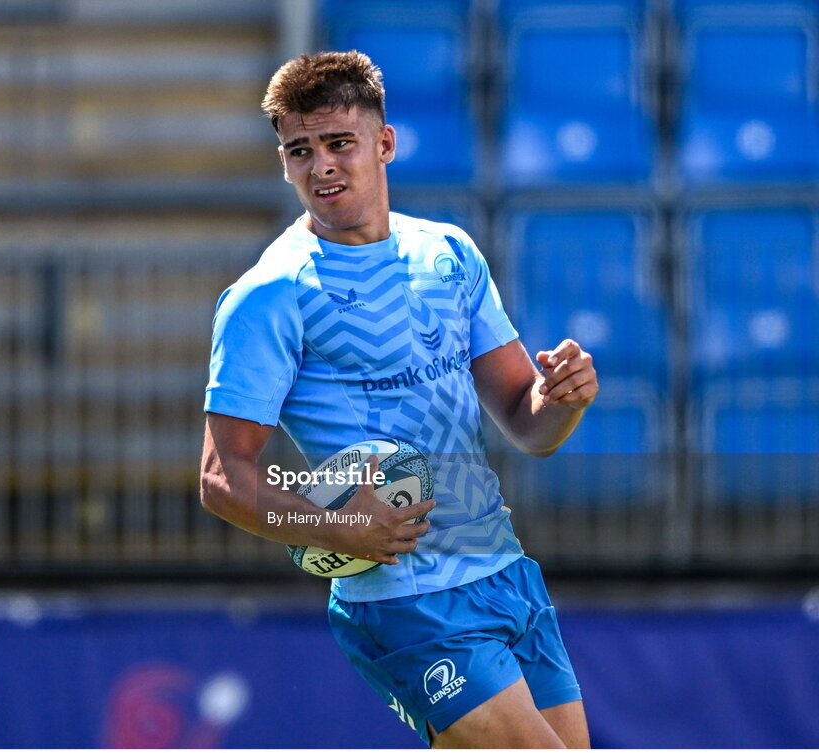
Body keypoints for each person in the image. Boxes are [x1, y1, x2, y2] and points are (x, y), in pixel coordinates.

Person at [200, 51, 597, 749]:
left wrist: (561, 397)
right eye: (299, 149)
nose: (320, 164)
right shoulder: (270, 294)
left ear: (384, 143)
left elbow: (526, 424)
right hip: (405, 599)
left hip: (503, 570)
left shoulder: (449, 252)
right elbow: (222, 477)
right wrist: (337, 530)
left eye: (338, 143)